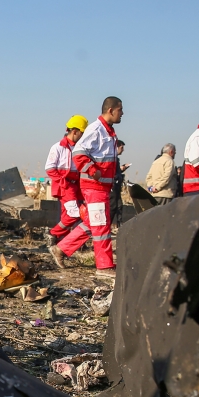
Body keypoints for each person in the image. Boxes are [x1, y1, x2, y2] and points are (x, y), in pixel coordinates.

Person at [72, 96, 124, 278]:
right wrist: (92, 170)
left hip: (101, 187)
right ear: (111, 110)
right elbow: (78, 152)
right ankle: (104, 267)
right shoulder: (96, 129)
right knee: (101, 226)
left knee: (92, 223)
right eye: (120, 110)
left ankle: (61, 249)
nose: (122, 113)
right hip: (94, 186)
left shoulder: (108, 131)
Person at [45, 114, 91, 268]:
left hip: (77, 185)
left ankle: (60, 245)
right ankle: (53, 234)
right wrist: (63, 181)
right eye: (82, 133)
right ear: (75, 131)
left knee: (71, 215)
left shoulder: (79, 148)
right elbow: (50, 169)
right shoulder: (58, 147)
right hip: (65, 185)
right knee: (74, 214)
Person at [109, 140, 130, 227]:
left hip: (117, 186)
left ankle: (119, 225)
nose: (123, 150)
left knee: (119, 206)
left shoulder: (116, 159)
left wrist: (122, 170)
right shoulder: (111, 158)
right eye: (122, 147)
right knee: (112, 206)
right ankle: (107, 226)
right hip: (113, 186)